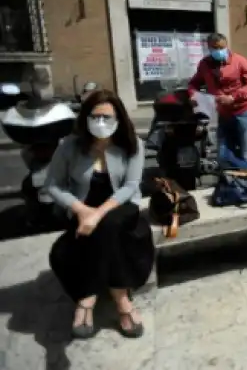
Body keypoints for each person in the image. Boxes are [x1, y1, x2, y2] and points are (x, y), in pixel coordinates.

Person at [45, 90, 153, 339]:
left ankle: (88, 296)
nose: (101, 122)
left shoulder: (132, 143)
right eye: (96, 116)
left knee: (107, 225)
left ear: (119, 118)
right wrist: (83, 211)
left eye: (107, 117)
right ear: (85, 117)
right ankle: (122, 300)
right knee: (102, 235)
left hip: (120, 207)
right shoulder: (70, 146)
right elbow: (53, 185)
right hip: (82, 207)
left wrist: (97, 214)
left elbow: (131, 185)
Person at [188, 33, 247, 169]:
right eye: (215, 48)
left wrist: (233, 97)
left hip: (243, 111)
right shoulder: (204, 64)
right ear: (209, 48)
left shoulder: (240, 61)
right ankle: (228, 182)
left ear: (226, 46)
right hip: (223, 114)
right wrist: (193, 95)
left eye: (222, 47)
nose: (219, 51)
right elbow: (194, 83)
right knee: (223, 153)